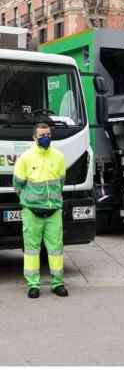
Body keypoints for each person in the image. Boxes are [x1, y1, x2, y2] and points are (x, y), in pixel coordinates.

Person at [12, 122, 67, 299]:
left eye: (48, 134)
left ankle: (57, 283)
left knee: (56, 249)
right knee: (31, 250)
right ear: (34, 138)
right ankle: (33, 285)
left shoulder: (58, 156)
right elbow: (17, 184)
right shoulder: (25, 158)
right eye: (42, 135)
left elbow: (61, 182)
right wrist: (29, 200)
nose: (46, 138)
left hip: (54, 212)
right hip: (32, 212)